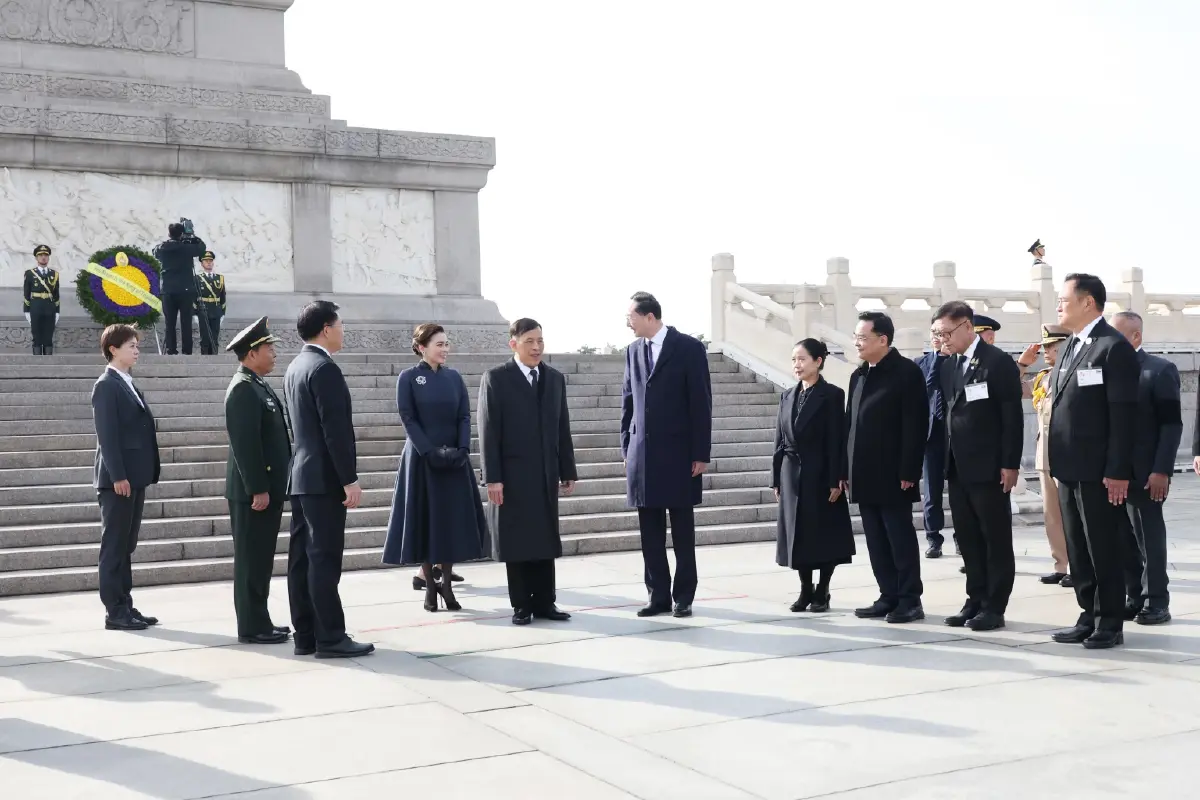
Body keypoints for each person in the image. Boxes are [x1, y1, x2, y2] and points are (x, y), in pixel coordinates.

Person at [1048, 274, 1139, 649]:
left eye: (1064, 299)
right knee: (1079, 548)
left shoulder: (1111, 348)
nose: (1059, 305)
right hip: (1069, 468)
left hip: (1099, 471)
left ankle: (1110, 622)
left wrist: (1117, 470)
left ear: (1088, 302)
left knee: (1103, 547)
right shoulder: (1071, 345)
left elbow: (1123, 416)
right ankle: (1088, 613)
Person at [283, 300, 374, 658]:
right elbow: (334, 431)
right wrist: (348, 479)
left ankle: (305, 634)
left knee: (302, 560)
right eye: (340, 324)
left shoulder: (295, 366)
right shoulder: (324, 369)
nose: (343, 330)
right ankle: (331, 637)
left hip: (302, 476)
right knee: (324, 560)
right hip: (323, 480)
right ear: (326, 329)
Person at [478, 318, 579, 625]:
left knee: (544, 538)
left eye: (540, 342)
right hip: (511, 475)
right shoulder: (497, 378)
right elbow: (488, 431)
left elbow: (563, 427)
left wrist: (567, 470)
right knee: (518, 539)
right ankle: (522, 604)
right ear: (514, 344)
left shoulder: (554, 379)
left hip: (545, 473)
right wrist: (492, 477)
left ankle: (546, 602)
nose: (537, 348)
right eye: (530, 342)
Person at [382, 323, 488, 612]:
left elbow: (464, 416)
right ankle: (430, 585)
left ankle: (448, 587)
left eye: (446, 343)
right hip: (422, 459)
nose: (445, 349)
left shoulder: (454, 377)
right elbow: (408, 417)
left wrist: (463, 449)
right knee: (427, 523)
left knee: (450, 523)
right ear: (422, 347)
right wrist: (428, 451)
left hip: (455, 460)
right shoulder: (408, 378)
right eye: (439, 344)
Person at [933, 301, 1024, 631]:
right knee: (968, 537)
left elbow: (1012, 418)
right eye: (938, 333)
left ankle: (994, 605)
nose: (942, 339)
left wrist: (1010, 463)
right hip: (958, 467)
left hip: (989, 467)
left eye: (947, 332)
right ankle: (975, 598)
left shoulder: (997, 363)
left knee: (995, 538)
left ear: (967, 327)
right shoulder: (948, 365)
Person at [621, 291, 713, 619]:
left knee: (682, 533)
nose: (626, 322)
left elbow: (701, 402)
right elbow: (628, 401)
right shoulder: (632, 351)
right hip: (642, 456)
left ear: (649, 316)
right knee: (650, 534)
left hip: (679, 456)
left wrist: (701, 452)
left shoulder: (688, 348)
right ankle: (657, 596)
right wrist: (625, 448)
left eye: (630, 316)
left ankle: (683, 596)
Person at [846, 311, 929, 624]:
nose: (857, 343)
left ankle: (909, 599)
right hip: (863, 474)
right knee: (875, 539)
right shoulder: (859, 375)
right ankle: (888, 594)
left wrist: (910, 470)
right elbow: (849, 426)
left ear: (883, 339)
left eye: (863, 338)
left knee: (899, 538)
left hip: (895, 475)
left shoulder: (906, 373)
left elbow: (915, 425)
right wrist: (845, 469)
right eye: (856, 337)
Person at [771, 338, 854, 613]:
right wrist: (775, 477)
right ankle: (805, 588)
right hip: (791, 474)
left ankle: (823, 589)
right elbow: (779, 440)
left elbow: (837, 439)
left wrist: (836, 478)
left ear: (818, 362)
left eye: (802, 359)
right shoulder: (787, 395)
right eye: (794, 359)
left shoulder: (832, 394)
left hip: (820, 473)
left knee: (824, 533)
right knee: (798, 534)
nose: (797, 364)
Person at [224, 317, 291, 645]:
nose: (274, 353)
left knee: (262, 557)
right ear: (251, 354)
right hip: (254, 493)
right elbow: (245, 445)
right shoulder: (242, 389)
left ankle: (260, 618)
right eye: (268, 348)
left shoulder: (257, 385)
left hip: (266, 490)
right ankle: (251, 625)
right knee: (251, 559)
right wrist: (258, 488)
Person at [1112, 311, 1181, 626]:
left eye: (1117, 334)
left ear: (1136, 336)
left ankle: (1156, 601)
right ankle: (1134, 596)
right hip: (1114, 474)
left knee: (1148, 538)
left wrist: (1161, 470)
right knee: (1123, 540)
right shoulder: (1106, 371)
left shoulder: (1159, 370)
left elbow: (1171, 425)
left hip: (1147, 473)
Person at [91, 324, 161, 631]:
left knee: (126, 545)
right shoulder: (106, 385)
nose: (136, 350)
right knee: (115, 545)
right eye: (130, 345)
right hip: (117, 480)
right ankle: (114, 611)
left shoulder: (128, 382)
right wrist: (118, 475)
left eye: (137, 345)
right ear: (113, 349)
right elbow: (107, 436)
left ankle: (126, 605)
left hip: (135, 476)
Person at [1017, 324, 1074, 587]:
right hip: (1045, 456)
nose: (1047, 351)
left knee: (1073, 514)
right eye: (1046, 347)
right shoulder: (1042, 377)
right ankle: (1061, 565)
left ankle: (1080, 566)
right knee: (1052, 515)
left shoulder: (1075, 374)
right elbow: (1013, 389)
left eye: (1053, 346)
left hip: (1070, 456)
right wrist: (1021, 366)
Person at [913, 324, 954, 559]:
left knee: (960, 490)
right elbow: (925, 390)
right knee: (932, 490)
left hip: (956, 432)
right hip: (932, 432)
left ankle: (962, 538)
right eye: (934, 335)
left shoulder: (959, 362)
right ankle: (933, 538)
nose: (938, 339)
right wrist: (937, 359)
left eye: (942, 335)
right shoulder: (921, 363)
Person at [153, 222, 207, 355]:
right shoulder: (187, 248)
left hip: (168, 290)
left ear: (169, 233)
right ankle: (187, 351)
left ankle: (171, 350)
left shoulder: (163, 248)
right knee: (186, 322)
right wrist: (193, 236)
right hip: (186, 290)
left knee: (169, 323)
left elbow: (154, 252)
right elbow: (202, 248)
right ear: (182, 234)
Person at [23, 244, 59, 356]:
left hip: (49, 306)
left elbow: (56, 294)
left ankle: (49, 360)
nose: (43, 257)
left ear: (48, 258)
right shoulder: (30, 274)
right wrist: (27, 310)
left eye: (45, 255)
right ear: (36, 258)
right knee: (37, 334)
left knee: (48, 334)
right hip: (36, 305)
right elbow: (26, 293)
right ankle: (37, 360)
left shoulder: (54, 274)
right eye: (40, 255)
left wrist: (57, 311)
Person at [196, 251, 227, 356]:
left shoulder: (220, 278)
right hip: (203, 310)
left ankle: (214, 358)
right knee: (204, 338)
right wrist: (194, 313)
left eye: (210, 261)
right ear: (202, 263)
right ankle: (204, 360)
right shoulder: (197, 278)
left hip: (216, 310)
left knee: (214, 337)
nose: (208, 263)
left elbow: (222, 297)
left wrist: (222, 313)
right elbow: (193, 298)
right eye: (206, 261)